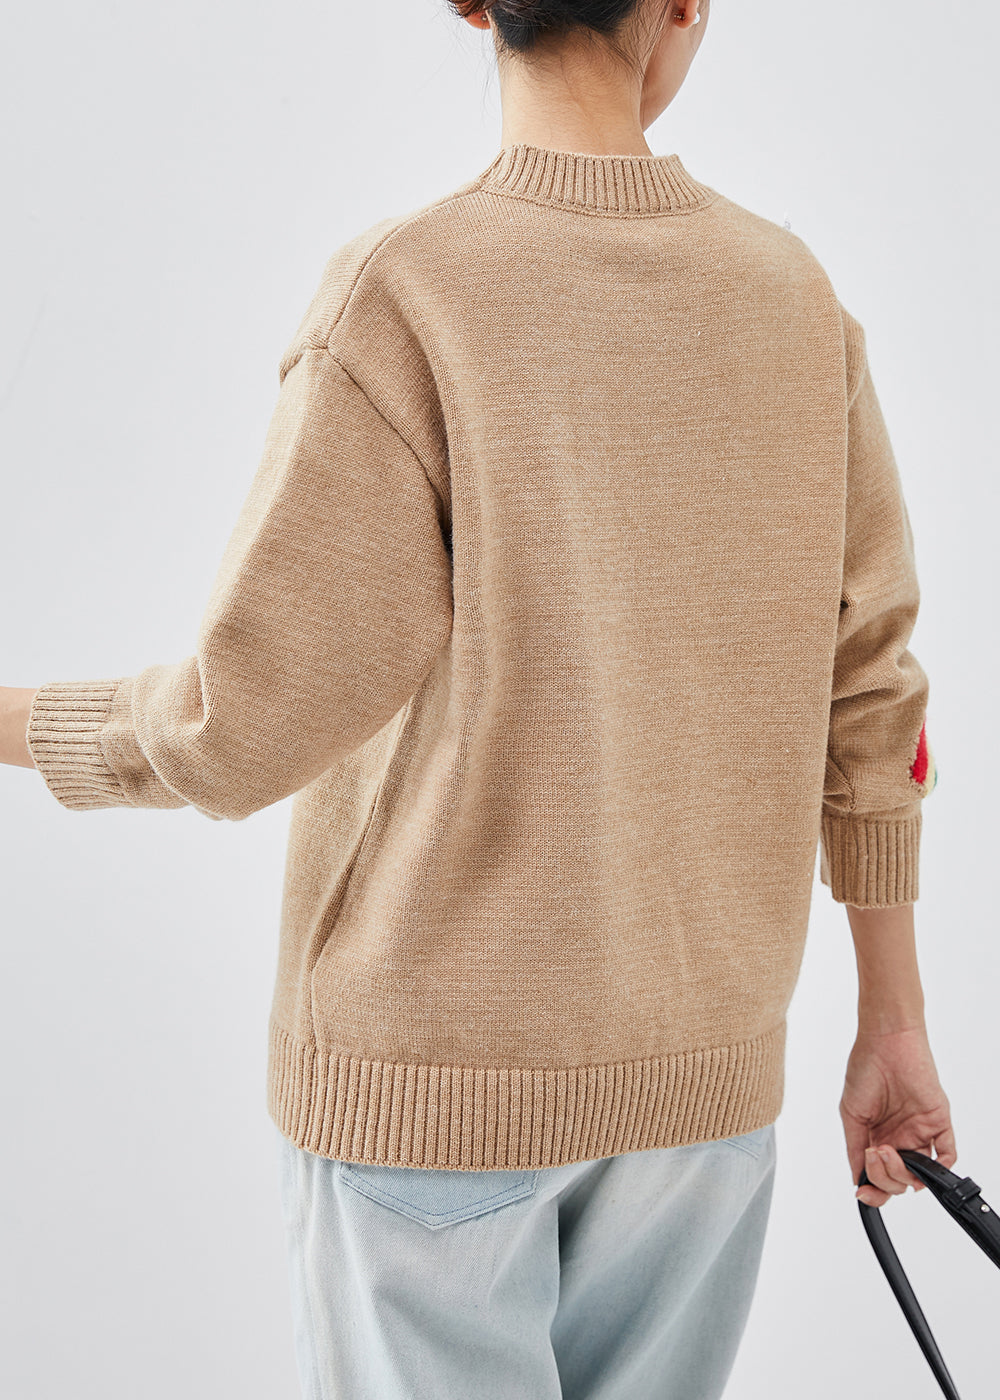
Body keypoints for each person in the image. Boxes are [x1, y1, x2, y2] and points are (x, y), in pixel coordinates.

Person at [0, 0, 958, 1395]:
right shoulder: (796, 306)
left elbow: (238, 724)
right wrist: (895, 1021)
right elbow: (873, 692)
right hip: (700, 1107)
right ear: (686, 2)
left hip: (434, 1100)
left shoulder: (408, 298)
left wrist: (18, 721)